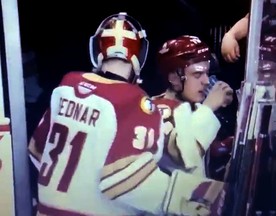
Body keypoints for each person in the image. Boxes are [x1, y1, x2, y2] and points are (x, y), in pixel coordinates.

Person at [28, 12, 225, 216]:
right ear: (139, 57)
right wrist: (200, 194)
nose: (204, 80)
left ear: (97, 52)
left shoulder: (67, 85)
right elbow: (127, 183)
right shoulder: (134, 101)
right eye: (197, 73)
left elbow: (36, 152)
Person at [153, 35, 234, 177]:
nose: (206, 81)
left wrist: (223, 146)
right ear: (174, 78)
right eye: (197, 74)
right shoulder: (158, 110)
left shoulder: (191, 106)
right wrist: (208, 108)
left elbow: (202, 147)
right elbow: (186, 156)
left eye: (207, 73)